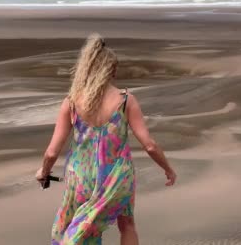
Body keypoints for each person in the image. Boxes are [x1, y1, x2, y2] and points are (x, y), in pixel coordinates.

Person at [35, 34, 177, 245]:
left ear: (87, 69)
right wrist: (168, 169)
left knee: (85, 228)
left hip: (82, 176)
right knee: (127, 224)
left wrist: (44, 171)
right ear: (112, 70)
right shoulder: (126, 100)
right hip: (117, 175)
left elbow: (52, 152)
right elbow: (149, 144)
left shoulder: (72, 102)